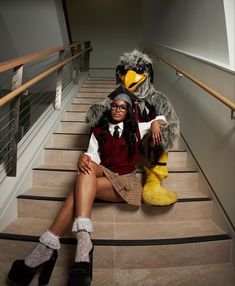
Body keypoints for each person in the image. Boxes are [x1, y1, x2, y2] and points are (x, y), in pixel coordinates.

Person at [7, 93, 167, 286]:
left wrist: (155, 124)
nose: (117, 109)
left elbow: (162, 118)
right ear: (110, 109)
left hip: (127, 182)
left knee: (76, 194)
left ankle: (45, 250)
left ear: (128, 112)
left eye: (123, 107)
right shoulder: (98, 130)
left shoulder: (137, 129)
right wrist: (85, 157)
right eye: (114, 106)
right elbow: (93, 158)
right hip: (105, 174)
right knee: (86, 163)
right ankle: (83, 242)